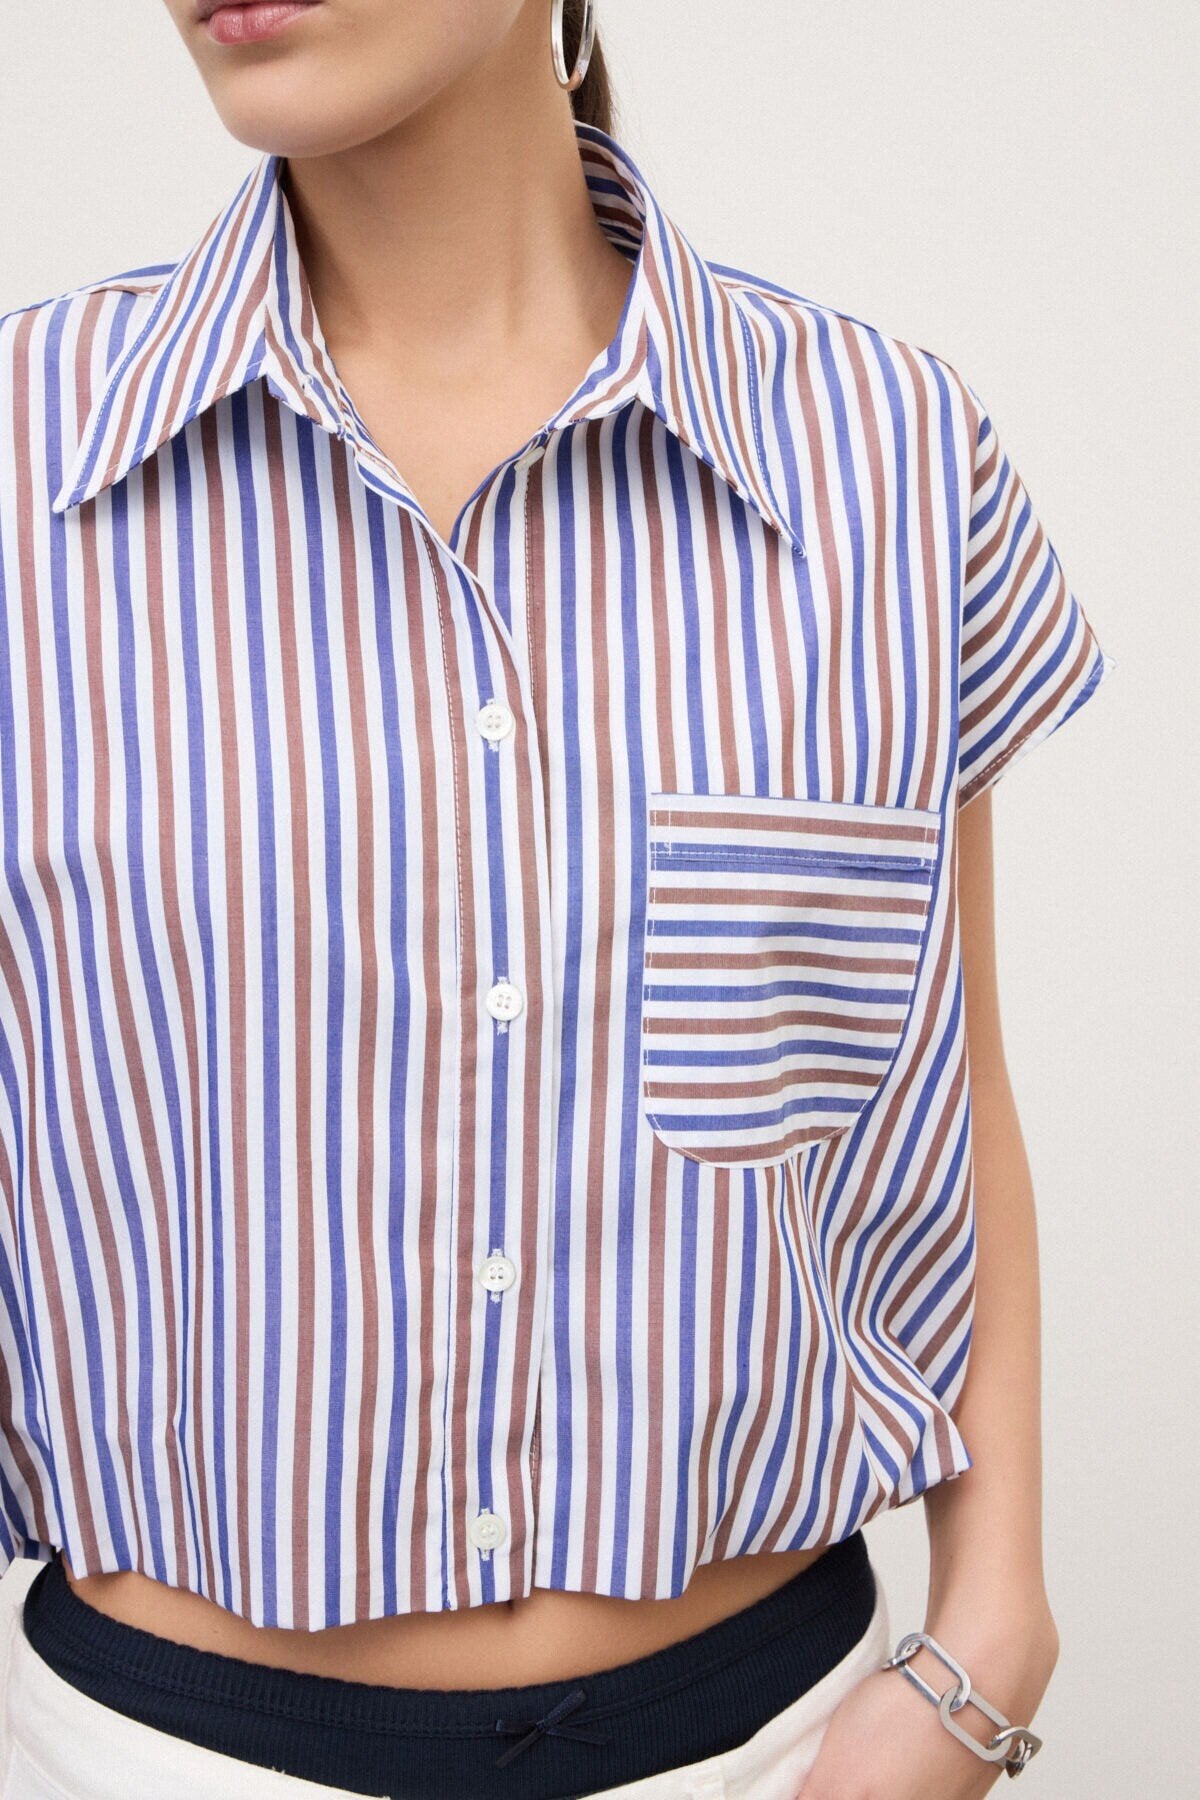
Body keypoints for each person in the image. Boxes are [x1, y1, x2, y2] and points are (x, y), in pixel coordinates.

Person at [0, 2, 1111, 1796]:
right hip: (159, 1755)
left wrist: (992, 1630)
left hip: (780, 1749)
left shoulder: (888, 457)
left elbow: (946, 1078)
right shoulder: (20, 461)